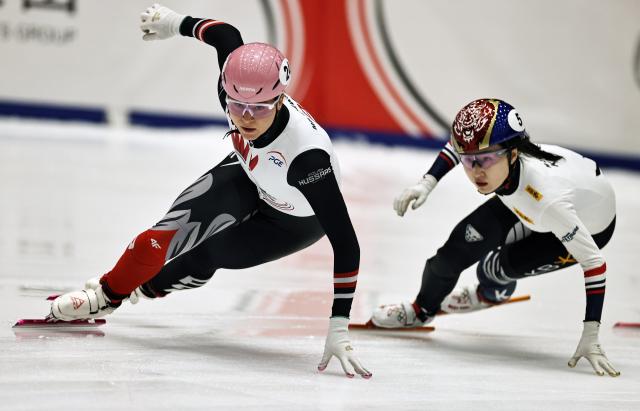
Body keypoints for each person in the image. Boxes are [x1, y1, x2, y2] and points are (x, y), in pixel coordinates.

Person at [48, 4, 371, 379]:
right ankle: (104, 296)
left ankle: (142, 289)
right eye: (237, 105)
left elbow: (346, 242)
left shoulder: (308, 160)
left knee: (204, 256)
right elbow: (226, 35)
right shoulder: (233, 88)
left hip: (293, 220)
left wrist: (339, 326)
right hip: (249, 174)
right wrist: (174, 24)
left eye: (261, 107)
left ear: (281, 98)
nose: (246, 117)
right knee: (163, 237)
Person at [371, 98, 619, 377]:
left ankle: (489, 292)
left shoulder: (548, 200)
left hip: (586, 225)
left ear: (514, 154)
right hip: (529, 199)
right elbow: (458, 144)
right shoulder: (505, 163)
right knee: (452, 254)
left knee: (493, 268)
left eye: (486, 159)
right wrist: (427, 183)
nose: (476, 171)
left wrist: (591, 333)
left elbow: (594, 262)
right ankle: (420, 310)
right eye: (469, 161)